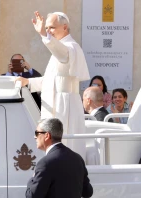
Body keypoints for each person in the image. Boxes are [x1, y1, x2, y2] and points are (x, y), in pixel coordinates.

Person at [15, 11, 90, 159]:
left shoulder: (71, 47)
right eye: (47, 28)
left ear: (65, 27)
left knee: (65, 148)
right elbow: (51, 80)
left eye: (51, 28)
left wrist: (43, 34)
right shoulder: (60, 48)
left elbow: (63, 54)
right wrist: (28, 82)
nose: (49, 31)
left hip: (65, 107)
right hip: (55, 105)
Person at [26, 118, 93, 198]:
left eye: (37, 133)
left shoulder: (45, 163)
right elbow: (87, 192)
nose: (35, 137)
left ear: (47, 135)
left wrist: (32, 180)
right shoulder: (77, 158)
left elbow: (32, 196)